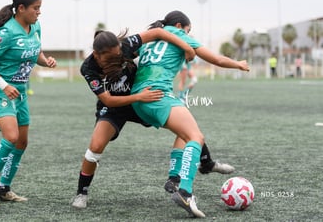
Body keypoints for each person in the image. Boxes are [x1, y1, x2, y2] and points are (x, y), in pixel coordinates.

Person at [71, 28, 233, 210]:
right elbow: (107, 99)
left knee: (185, 129)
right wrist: (138, 98)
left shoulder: (124, 45)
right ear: (97, 55)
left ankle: (205, 164)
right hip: (115, 107)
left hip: (140, 98)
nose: (118, 58)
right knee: (95, 147)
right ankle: (81, 193)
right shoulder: (88, 68)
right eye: (111, 57)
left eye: (119, 54)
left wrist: (186, 47)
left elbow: (157, 32)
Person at [131, 10, 249, 217]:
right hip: (158, 96)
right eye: (188, 30)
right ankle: (185, 192)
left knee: (185, 133)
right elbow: (217, 60)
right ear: (179, 27)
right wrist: (238, 64)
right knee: (196, 137)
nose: (189, 34)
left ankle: (174, 179)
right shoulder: (179, 35)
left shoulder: (149, 39)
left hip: (139, 101)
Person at [0, 0, 57, 210]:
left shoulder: (35, 27)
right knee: (11, 137)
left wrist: (46, 61)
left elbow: (36, 54)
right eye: (36, 8)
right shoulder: (6, 32)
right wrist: (3, 85)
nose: (39, 12)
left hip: (20, 92)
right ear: (21, 8)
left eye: (40, 8)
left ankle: (4, 188)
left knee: (22, 142)